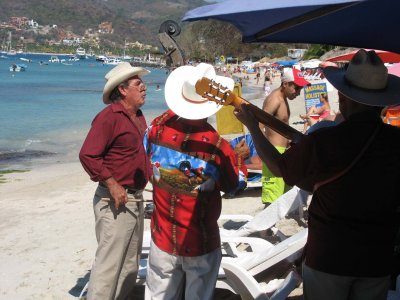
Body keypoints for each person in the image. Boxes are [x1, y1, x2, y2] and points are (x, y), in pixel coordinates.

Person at [234, 49, 400, 300]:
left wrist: (252, 128)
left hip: (330, 255)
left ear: (344, 99)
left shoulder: (327, 141)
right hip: (377, 258)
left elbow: (280, 169)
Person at [144, 63, 245, 300]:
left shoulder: (156, 131)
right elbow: (233, 186)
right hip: (199, 239)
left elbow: (147, 157)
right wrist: (239, 159)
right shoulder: (218, 146)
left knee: (158, 295)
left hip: (162, 235)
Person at [79, 62, 152, 300]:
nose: (144, 87)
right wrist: (112, 184)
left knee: (130, 266)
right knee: (108, 268)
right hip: (115, 201)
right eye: (138, 83)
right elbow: (88, 154)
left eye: (142, 83)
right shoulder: (108, 117)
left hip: (135, 199)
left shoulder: (138, 117)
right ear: (122, 90)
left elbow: (139, 155)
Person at [259, 67, 310, 207]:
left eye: (300, 89)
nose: (298, 93)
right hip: (274, 153)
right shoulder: (275, 100)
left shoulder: (282, 98)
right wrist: (264, 153)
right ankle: (265, 229)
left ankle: (269, 228)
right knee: (272, 200)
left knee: (282, 197)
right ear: (285, 84)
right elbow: (259, 126)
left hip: (282, 154)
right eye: (297, 88)